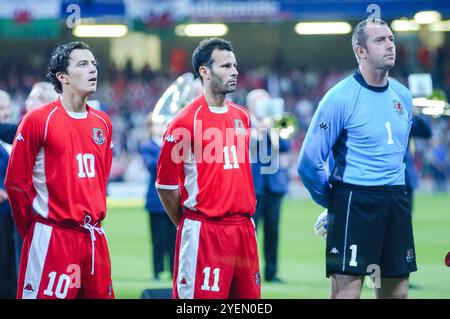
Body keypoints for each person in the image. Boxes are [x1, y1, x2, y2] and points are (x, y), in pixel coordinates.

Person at [297, 19, 416, 299]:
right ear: (361, 51)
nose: (389, 45)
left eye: (391, 39)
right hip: (355, 200)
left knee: (396, 293)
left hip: (396, 200)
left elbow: (398, 154)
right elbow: (309, 161)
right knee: (347, 294)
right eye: (380, 40)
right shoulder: (339, 98)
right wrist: (334, 203)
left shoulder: (404, 96)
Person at [5, 42, 114, 299]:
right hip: (52, 238)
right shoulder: (38, 120)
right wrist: (34, 232)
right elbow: (16, 184)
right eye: (82, 64)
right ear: (62, 77)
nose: (92, 70)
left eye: (93, 63)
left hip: (94, 239)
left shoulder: (103, 122)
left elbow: (101, 177)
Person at [155, 38, 260, 299]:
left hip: (244, 230)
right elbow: (166, 185)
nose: (234, 71)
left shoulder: (242, 116)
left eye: (234, 65)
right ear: (204, 71)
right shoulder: (185, 122)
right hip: (206, 231)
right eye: (225, 66)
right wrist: (191, 222)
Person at [246, 89, 291, 283]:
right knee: (251, 234)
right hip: (253, 187)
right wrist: (259, 130)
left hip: (273, 186)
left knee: (273, 232)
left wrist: (273, 127)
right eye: (258, 102)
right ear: (251, 105)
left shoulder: (279, 121)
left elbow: (286, 147)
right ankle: (249, 274)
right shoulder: (246, 122)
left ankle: (271, 272)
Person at [139, 112, 176, 281]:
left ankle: (173, 269)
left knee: (174, 238)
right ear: (150, 128)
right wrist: (167, 150)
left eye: (163, 124)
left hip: (174, 198)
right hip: (155, 200)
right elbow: (152, 165)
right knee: (158, 238)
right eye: (156, 124)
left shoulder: (173, 144)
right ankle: (157, 271)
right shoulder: (147, 146)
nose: (160, 127)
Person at [0, 90, 17, 298]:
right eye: (0, 109)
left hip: (12, 215)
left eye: (6, 108)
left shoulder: (13, 137)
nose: (4, 113)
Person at [404, 111, 432, 213]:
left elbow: (427, 132)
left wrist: (417, 115)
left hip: (405, 174)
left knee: (406, 218)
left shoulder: (404, 118)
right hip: (388, 176)